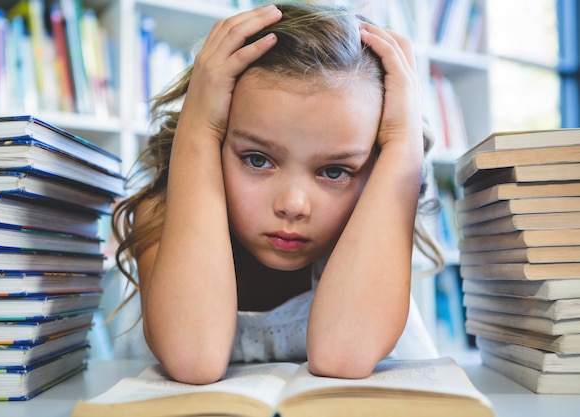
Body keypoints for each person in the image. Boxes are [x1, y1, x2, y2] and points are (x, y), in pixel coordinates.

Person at [112, 3, 443, 385]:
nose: (292, 205)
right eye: (257, 160)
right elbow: (194, 358)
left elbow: (342, 355)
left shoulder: (367, 217)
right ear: (216, 140)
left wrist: (404, 144)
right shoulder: (162, 212)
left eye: (334, 171)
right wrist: (198, 126)